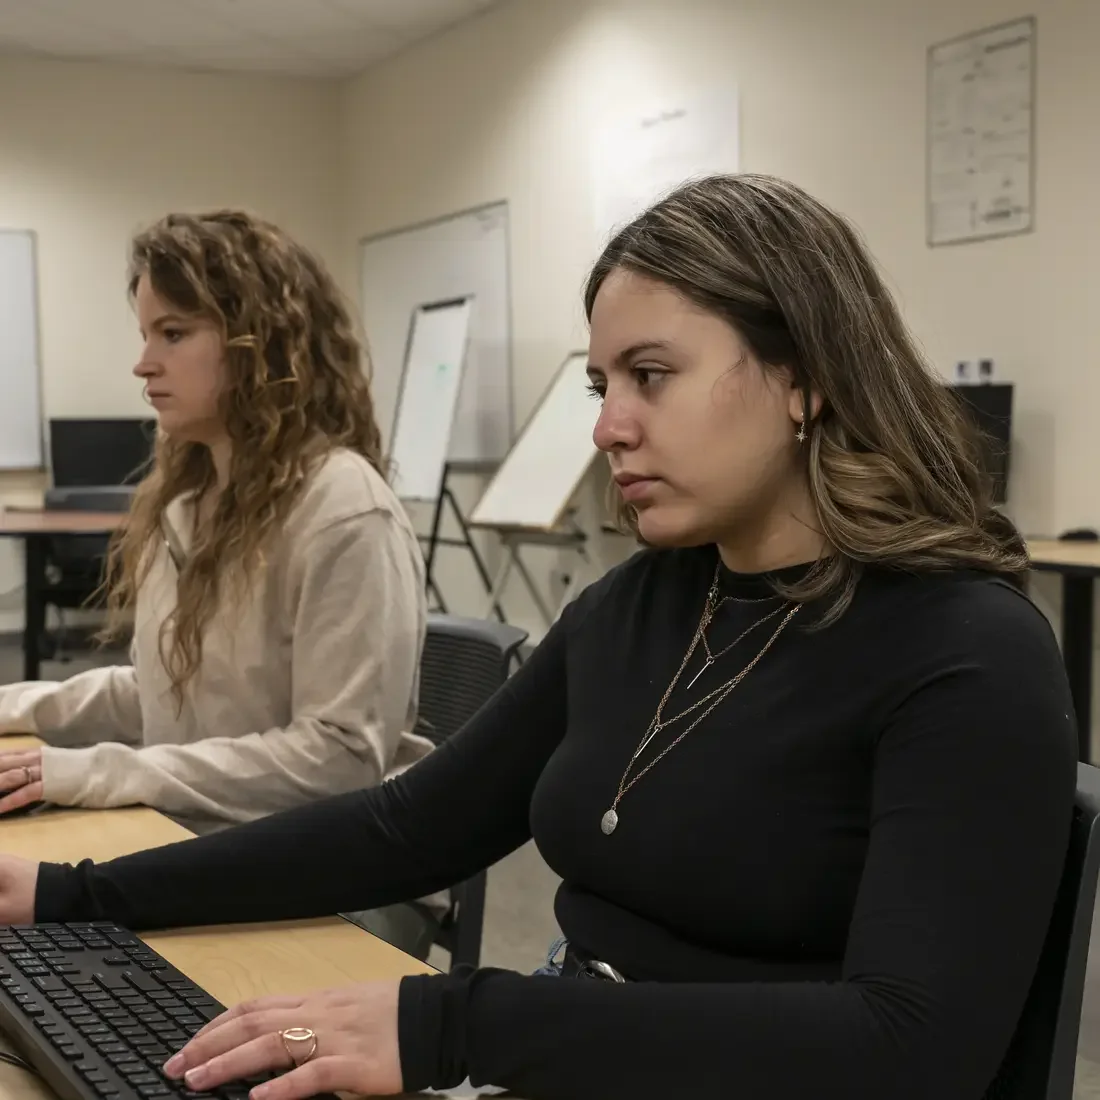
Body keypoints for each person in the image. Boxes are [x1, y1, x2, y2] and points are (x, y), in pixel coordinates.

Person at [0, 176, 1077, 1100]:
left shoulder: (963, 649)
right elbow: (404, 828)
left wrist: (452, 1023)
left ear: (803, 377)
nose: (607, 422)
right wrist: (74, 894)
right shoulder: (644, 606)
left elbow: (909, 1046)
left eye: (649, 375)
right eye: (600, 384)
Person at [0, 210, 441, 957]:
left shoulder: (343, 509)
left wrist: (87, 771)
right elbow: (164, 692)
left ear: (259, 341)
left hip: (344, 881)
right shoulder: (192, 506)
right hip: (212, 838)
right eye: (146, 336)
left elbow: (335, 760)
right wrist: (15, 710)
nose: (144, 364)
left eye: (173, 334)